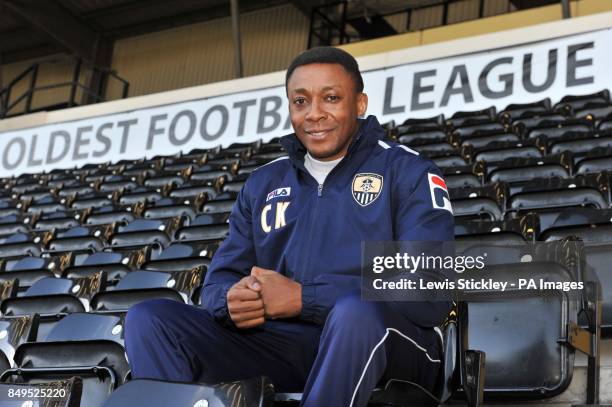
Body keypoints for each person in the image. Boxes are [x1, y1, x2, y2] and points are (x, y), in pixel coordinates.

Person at [124, 46, 454, 407]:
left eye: (331, 98)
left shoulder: (407, 171)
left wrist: (305, 299)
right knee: (150, 319)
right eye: (300, 101)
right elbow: (217, 285)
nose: (314, 114)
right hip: (287, 345)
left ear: (360, 104)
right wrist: (231, 302)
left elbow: (428, 289)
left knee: (354, 315)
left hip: (393, 344)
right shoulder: (263, 183)